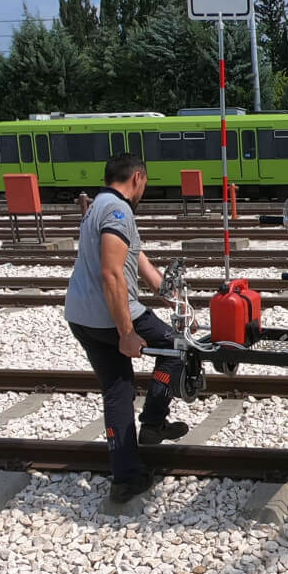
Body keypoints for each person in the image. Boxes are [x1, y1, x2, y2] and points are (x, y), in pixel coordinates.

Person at [65, 154, 189, 503]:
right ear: (137, 178)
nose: (143, 191)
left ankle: (125, 478)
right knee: (177, 348)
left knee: (117, 393)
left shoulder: (99, 206)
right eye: (145, 184)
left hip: (82, 318)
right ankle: (152, 422)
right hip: (112, 317)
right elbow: (111, 273)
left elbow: (138, 260)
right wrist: (126, 333)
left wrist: (172, 298)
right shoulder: (119, 212)